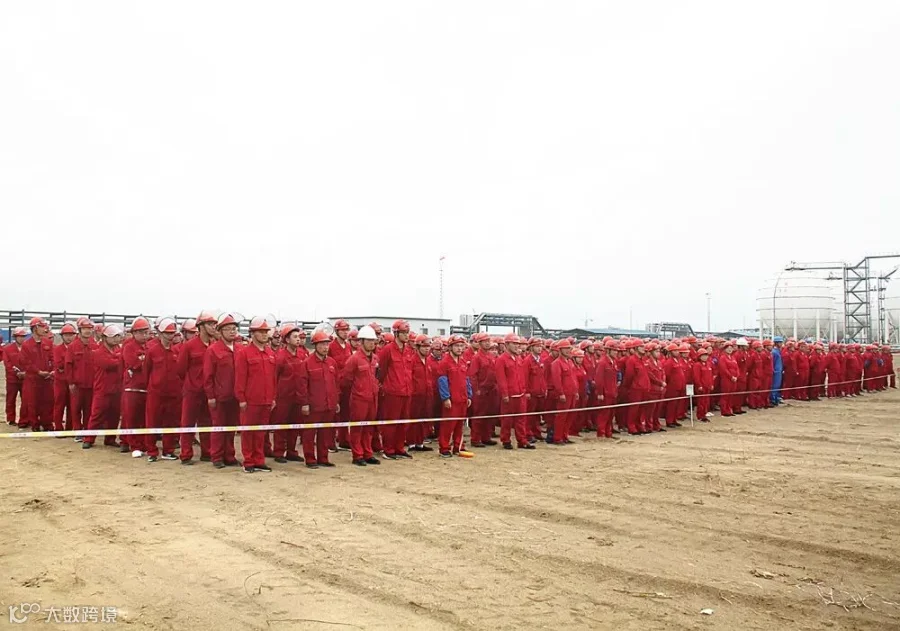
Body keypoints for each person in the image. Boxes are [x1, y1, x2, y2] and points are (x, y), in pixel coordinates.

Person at [234, 316, 277, 473]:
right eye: (261, 332)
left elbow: (273, 378)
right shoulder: (244, 353)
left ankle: (259, 460)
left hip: (266, 400)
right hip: (250, 400)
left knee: (261, 432)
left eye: (266, 331)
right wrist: (241, 398)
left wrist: (273, 397)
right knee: (248, 432)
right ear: (252, 334)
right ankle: (249, 461)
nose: (265, 334)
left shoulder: (270, 353)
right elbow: (240, 378)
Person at [176, 311, 217, 464]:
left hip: (209, 392)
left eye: (214, 324)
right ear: (201, 326)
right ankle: (186, 454)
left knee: (207, 422)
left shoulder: (214, 346)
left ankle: (207, 452)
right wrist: (191, 383)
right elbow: (180, 369)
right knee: (188, 422)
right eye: (210, 324)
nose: (213, 327)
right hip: (192, 391)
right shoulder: (189, 346)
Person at [203, 312, 242, 468]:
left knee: (231, 427)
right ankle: (217, 456)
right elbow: (208, 375)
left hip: (235, 396)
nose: (232, 332)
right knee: (219, 426)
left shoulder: (239, 349)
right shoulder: (213, 350)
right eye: (228, 329)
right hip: (219, 396)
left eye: (234, 328)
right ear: (220, 331)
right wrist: (210, 396)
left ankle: (229, 456)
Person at [296, 330, 339, 468]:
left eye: (327, 344)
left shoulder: (332, 362)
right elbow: (302, 386)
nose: (325, 347)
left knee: (325, 433)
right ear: (315, 345)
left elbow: (335, 384)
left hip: (329, 405)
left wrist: (336, 401)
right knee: (309, 434)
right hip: (314, 406)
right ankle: (310, 459)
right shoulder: (307, 363)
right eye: (322, 344)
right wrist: (304, 404)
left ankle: (323, 458)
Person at [341, 325, 381, 466]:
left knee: (369, 428)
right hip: (359, 399)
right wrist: (357, 391)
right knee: (357, 428)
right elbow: (346, 380)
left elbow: (377, 376)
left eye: (373, 340)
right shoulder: (354, 359)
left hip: (373, 398)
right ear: (361, 341)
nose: (372, 343)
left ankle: (368, 453)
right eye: (368, 340)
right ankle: (357, 455)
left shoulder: (375, 358)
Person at [144, 317, 182, 462]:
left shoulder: (177, 351)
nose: (170, 336)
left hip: (173, 393)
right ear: (160, 333)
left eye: (172, 333)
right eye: (167, 333)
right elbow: (146, 371)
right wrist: (152, 387)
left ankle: (168, 451)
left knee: (171, 422)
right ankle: (152, 451)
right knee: (152, 421)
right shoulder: (152, 351)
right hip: (156, 393)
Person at [82, 324, 125, 449]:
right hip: (102, 389)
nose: (117, 339)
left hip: (116, 389)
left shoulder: (117, 350)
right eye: (114, 336)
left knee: (114, 416)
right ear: (105, 338)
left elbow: (119, 361)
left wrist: (117, 358)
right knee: (97, 415)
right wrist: (119, 358)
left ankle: (110, 439)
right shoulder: (98, 352)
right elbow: (109, 364)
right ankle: (89, 439)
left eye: (118, 336)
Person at [377, 319, 414, 460]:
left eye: (407, 332)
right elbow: (381, 371)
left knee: (403, 422)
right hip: (392, 392)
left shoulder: (409, 351)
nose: (406, 335)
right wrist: (385, 386)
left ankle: (399, 448)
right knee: (391, 422)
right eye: (403, 332)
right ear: (396, 333)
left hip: (407, 391)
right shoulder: (387, 350)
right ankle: (388, 449)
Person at [436, 334, 472, 457]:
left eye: (461, 346)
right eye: (457, 346)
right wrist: (445, 398)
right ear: (450, 347)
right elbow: (442, 381)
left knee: (459, 425)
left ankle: (458, 446)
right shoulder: (445, 362)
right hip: (452, 399)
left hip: (462, 398)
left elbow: (466, 379)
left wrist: (469, 395)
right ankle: (444, 448)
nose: (460, 348)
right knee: (448, 425)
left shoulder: (463, 361)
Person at [495, 333, 532, 449]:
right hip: (510, 395)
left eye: (518, 344)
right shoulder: (501, 360)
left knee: (521, 419)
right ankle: (506, 440)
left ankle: (522, 440)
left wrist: (524, 390)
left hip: (520, 394)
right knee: (507, 419)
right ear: (507, 344)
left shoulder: (519, 359)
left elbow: (522, 376)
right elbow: (501, 378)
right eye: (514, 343)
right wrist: (505, 394)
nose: (517, 346)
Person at [121, 317, 151, 457]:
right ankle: (134, 445)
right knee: (131, 418)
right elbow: (134, 364)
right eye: (140, 332)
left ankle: (143, 444)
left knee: (144, 419)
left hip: (146, 388)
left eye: (145, 332)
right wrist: (143, 360)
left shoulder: (150, 346)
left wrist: (143, 360)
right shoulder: (129, 346)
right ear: (133, 333)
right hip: (132, 388)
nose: (143, 335)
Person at [19, 317, 55, 431]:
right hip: (33, 379)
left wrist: (52, 371)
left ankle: (47, 424)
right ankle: (35, 424)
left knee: (48, 402)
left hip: (47, 379)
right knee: (33, 402)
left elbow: (53, 358)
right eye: (42, 326)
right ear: (35, 328)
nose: (45, 329)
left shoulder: (48, 342)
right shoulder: (26, 345)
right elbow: (26, 362)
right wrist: (38, 372)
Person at [66, 318, 99, 439]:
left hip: (91, 384)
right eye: (85, 329)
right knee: (75, 409)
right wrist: (70, 383)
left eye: (89, 329)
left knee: (89, 409)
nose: (87, 331)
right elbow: (68, 365)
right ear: (80, 330)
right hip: (77, 385)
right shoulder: (72, 347)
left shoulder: (95, 346)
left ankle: (86, 430)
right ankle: (77, 431)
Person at [468, 332, 499, 448]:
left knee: (489, 415)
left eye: (488, 341)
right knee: (479, 415)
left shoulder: (491, 356)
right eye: (484, 341)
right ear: (479, 343)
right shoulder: (476, 358)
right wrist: (476, 390)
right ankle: (475, 439)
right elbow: (473, 375)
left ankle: (486, 437)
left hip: (491, 390)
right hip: (481, 390)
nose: (487, 343)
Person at [328, 319, 354, 451]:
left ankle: (344, 440)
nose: (345, 332)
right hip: (334, 385)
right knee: (333, 414)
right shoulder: (331, 346)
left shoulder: (348, 346)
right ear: (337, 331)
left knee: (345, 413)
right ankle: (329, 442)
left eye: (346, 330)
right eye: (342, 330)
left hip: (347, 385)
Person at [408, 334, 435, 452]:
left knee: (423, 419)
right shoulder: (412, 360)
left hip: (426, 395)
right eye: (424, 346)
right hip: (415, 395)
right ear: (417, 347)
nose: (427, 349)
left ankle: (420, 443)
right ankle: (411, 443)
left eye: (428, 346)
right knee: (413, 419)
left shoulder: (428, 361)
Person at [52, 322, 77, 431]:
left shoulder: (77, 349)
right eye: (66, 335)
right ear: (62, 336)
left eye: (71, 335)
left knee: (72, 406)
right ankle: (58, 428)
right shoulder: (57, 349)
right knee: (59, 405)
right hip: (60, 382)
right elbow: (60, 365)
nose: (69, 337)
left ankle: (69, 428)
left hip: (73, 382)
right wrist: (71, 365)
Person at [523, 337, 548, 443]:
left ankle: (536, 432)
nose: (539, 348)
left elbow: (543, 377)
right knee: (529, 415)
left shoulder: (541, 360)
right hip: (532, 393)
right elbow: (525, 378)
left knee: (537, 415)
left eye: (540, 346)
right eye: (537, 346)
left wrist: (544, 389)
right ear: (531, 347)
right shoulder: (527, 361)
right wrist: (527, 391)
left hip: (540, 392)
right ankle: (528, 434)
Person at [2, 327, 28, 426]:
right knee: (10, 399)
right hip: (12, 379)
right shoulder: (7, 349)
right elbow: (7, 363)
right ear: (15, 337)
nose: (21, 338)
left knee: (26, 400)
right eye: (19, 336)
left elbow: (31, 362)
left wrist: (25, 373)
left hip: (25, 379)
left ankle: (24, 420)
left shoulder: (27, 348)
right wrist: (16, 373)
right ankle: (10, 419)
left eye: (23, 336)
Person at [662, 342, 685, 427]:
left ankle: (674, 419)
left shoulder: (677, 361)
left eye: (677, 350)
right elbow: (667, 374)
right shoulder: (669, 362)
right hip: (672, 387)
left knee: (676, 404)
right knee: (671, 404)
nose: (677, 352)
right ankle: (669, 421)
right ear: (670, 352)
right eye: (674, 351)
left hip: (679, 386)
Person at [692, 347, 714, 421]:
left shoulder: (708, 364)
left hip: (708, 386)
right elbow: (696, 376)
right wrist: (699, 385)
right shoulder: (697, 365)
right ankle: (700, 416)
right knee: (701, 402)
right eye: (703, 355)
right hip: (702, 386)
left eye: (706, 355)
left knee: (706, 401)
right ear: (699, 356)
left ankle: (704, 414)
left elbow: (711, 375)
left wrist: (711, 384)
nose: (705, 357)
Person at [770, 337, 784, 405]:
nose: (781, 344)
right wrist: (774, 370)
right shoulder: (774, 352)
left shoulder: (778, 351)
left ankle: (776, 398)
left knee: (778, 385)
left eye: (781, 342)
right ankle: (772, 399)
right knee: (774, 386)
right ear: (776, 343)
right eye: (779, 342)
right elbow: (772, 362)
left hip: (779, 371)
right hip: (776, 371)